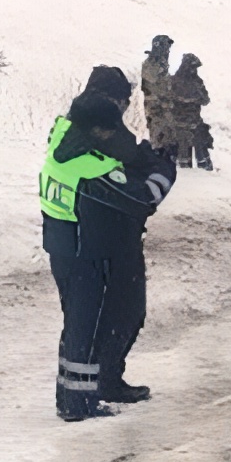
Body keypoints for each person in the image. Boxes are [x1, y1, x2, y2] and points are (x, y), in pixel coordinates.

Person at [39, 79, 140, 420]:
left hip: (60, 245)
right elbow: (136, 197)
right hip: (83, 252)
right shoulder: (91, 165)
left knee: (75, 324)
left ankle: (69, 398)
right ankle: (77, 404)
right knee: (85, 326)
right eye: (108, 131)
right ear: (96, 130)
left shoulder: (61, 140)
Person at [76, 135, 177, 409]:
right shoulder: (97, 150)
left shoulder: (92, 140)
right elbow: (142, 199)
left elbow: (127, 171)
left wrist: (146, 155)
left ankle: (104, 381)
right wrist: (164, 170)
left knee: (121, 315)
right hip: (113, 244)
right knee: (123, 314)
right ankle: (100, 385)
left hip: (106, 240)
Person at [170, 51, 212, 168]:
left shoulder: (174, 81)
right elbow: (205, 100)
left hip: (181, 124)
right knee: (196, 150)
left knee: (185, 159)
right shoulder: (196, 82)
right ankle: (203, 168)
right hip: (190, 124)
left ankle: (201, 168)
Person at [141, 35, 175, 146]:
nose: (168, 51)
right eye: (166, 47)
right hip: (154, 107)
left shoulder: (162, 63)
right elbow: (150, 81)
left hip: (164, 105)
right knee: (158, 128)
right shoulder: (150, 63)